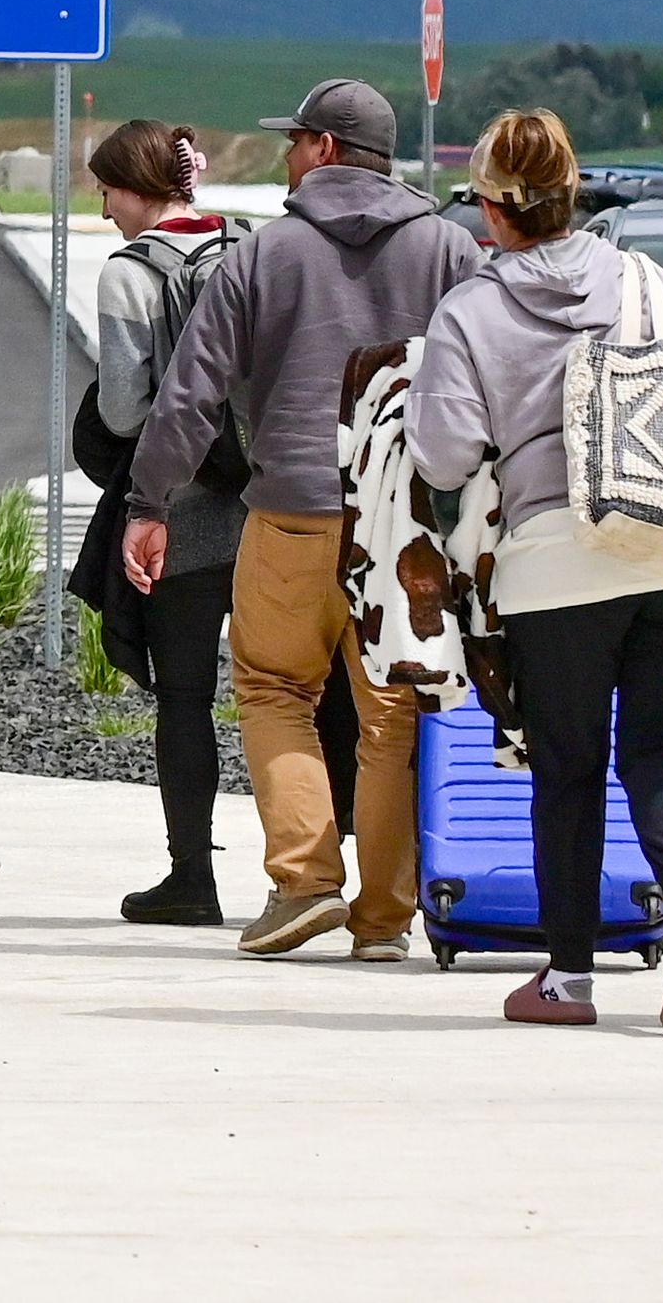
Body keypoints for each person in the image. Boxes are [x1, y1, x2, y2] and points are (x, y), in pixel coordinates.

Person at [407, 109, 663, 1033]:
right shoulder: (649, 282)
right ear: (574, 193)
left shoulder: (471, 310)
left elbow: (443, 457)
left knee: (566, 766)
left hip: (556, 565)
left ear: (491, 208)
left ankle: (566, 978)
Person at [127, 78, 480, 961]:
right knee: (395, 709)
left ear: (324, 148)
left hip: (291, 512)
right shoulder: (451, 250)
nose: (286, 157)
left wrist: (149, 501)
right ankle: (385, 918)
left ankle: (304, 881)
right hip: (406, 526)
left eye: (294, 141)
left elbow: (190, 394)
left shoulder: (262, 254)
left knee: (276, 691)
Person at [76, 119, 362, 928]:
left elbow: (129, 407)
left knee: (186, 699)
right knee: (315, 689)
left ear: (136, 190)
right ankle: (333, 866)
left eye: (106, 192)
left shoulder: (130, 273)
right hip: (282, 505)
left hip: (186, 512)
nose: (103, 212)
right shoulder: (254, 245)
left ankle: (191, 879)